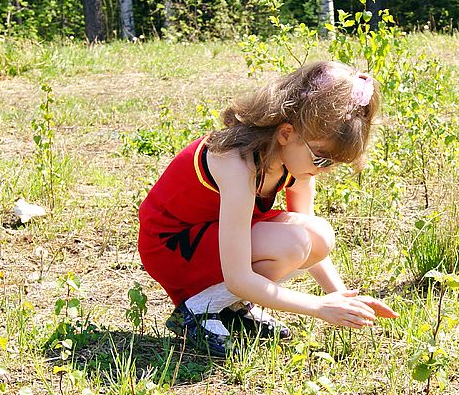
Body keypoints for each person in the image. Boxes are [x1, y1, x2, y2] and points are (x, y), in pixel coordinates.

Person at [138, 60, 398, 357]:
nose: (324, 170)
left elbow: (312, 247)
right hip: (174, 246)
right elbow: (238, 277)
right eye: (322, 158)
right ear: (286, 133)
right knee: (293, 243)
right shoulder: (237, 164)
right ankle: (198, 311)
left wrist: (342, 297)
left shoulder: (293, 162)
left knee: (319, 236)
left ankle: (229, 308)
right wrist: (318, 308)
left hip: (215, 237)